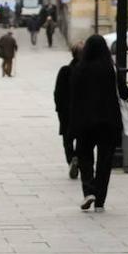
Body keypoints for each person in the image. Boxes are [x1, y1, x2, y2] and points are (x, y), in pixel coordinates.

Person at [69, 35, 127, 212]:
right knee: (105, 161)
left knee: (85, 158)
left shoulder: (80, 69)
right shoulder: (112, 70)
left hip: (85, 123)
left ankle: (89, 191)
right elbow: (123, 93)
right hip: (108, 123)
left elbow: (73, 98)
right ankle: (100, 200)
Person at [54, 44, 82, 179]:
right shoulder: (87, 70)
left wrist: (59, 109)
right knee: (83, 139)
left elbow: (57, 93)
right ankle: (79, 158)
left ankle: (71, 159)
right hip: (84, 112)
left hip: (67, 112)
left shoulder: (65, 71)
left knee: (68, 139)